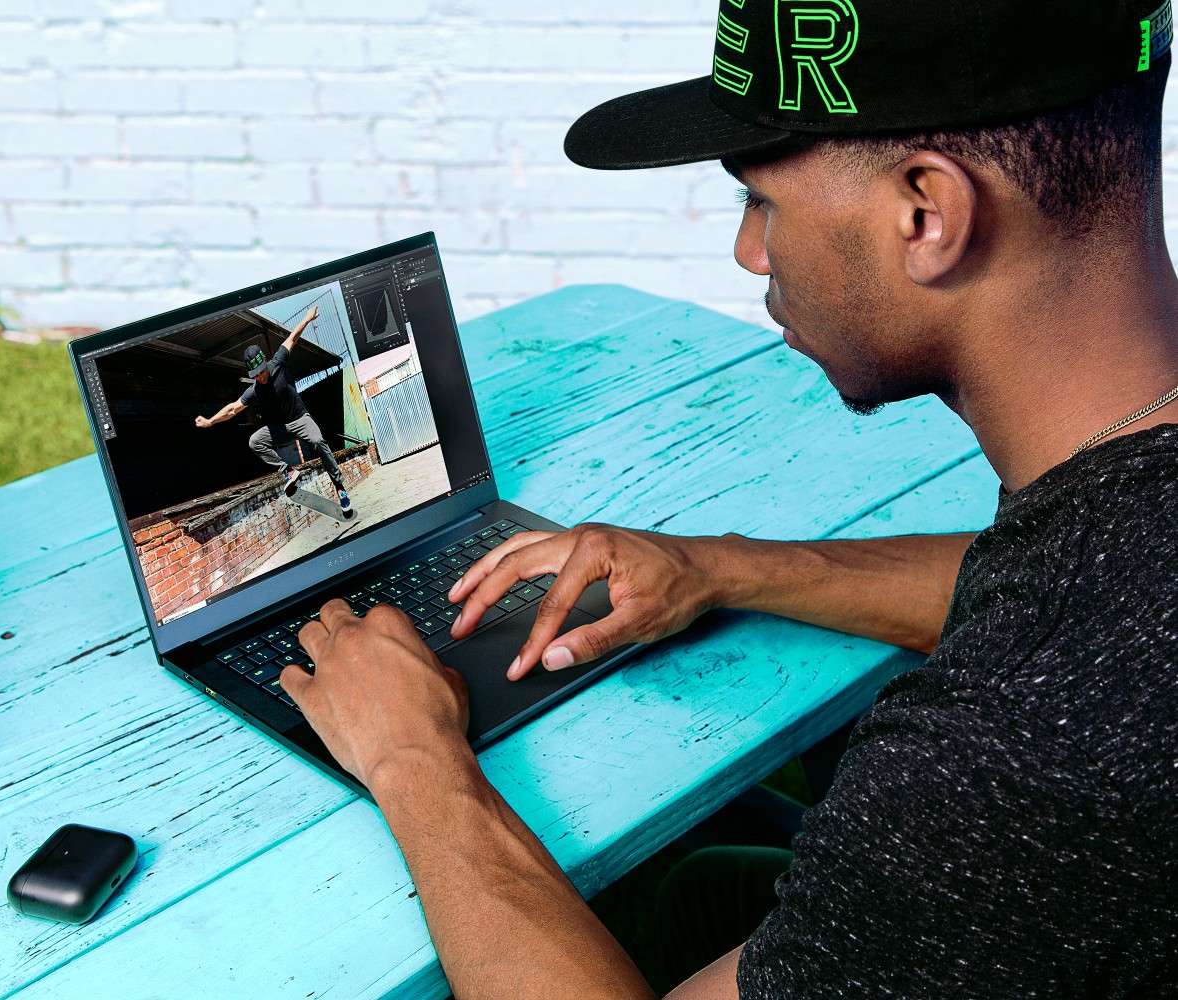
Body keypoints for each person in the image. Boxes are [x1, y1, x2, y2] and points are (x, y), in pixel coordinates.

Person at [279, 1, 1178, 997]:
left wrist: (413, 757)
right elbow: (1065, 578)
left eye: (762, 201)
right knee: (705, 883)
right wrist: (720, 566)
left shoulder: (1009, 756)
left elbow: (1061, 659)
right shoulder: (1120, 526)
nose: (752, 252)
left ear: (926, 213)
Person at [195, 305, 351, 512]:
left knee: (317, 440)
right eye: (256, 375)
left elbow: (293, 337)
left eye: (262, 371)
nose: (261, 377)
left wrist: (306, 318)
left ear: (266, 362)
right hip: (281, 428)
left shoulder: (278, 362)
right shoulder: (254, 391)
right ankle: (287, 471)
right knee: (254, 441)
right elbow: (233, 409)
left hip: (301, 419)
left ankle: (340, 487)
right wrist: (210, 421)